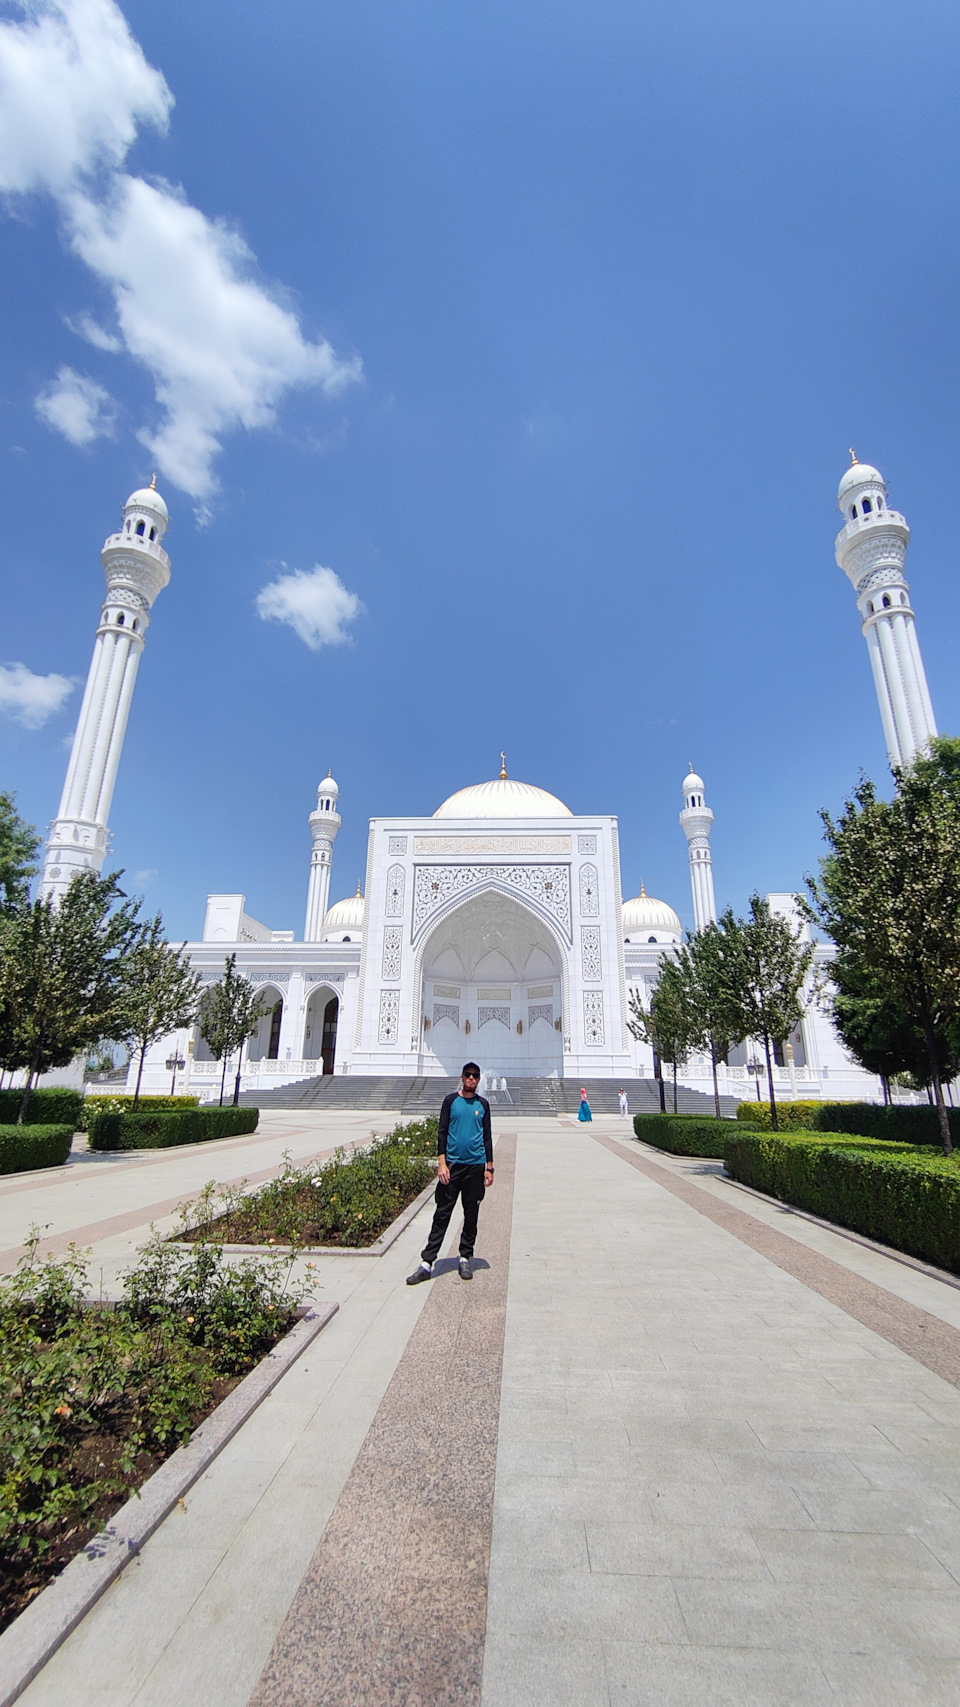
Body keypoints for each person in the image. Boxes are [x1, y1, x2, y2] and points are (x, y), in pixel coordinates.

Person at [407, 1062, 494, 1284]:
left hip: (475, 1167)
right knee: (442, 1214)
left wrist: (490, 1168)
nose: (471, 1078)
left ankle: (465, 1258)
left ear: (479, 1079)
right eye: (468, 1074)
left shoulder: (483, 1104)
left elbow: (487, 1136)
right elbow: (442, 1132)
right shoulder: (450, 1101)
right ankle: (427, 1263)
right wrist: (442, 1163)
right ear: (462, 1077)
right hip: (452, 1167)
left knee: (471, 1215)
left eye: (475, 1075)